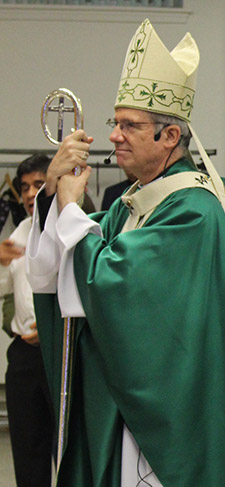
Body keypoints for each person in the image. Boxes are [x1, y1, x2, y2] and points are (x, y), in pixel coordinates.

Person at [26, 19, 225, 486]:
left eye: (130, 125)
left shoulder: (193, 211)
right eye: (116, 123)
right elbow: (53, 277)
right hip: (119, 406)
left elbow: (114, 286)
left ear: (170, 137)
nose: (114, 135)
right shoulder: (129, 205)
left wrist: (72, 206)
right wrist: (54, 194)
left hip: (165, 420)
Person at [0, 154, 54, 487]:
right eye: (24, 188)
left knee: (66, 451)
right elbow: (6, 296)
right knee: (27, 449)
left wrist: (50, 329)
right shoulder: (18, 234)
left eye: (38, 185)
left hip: (60, 354)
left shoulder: (69, 228)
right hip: (23, 357)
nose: (31, 193)